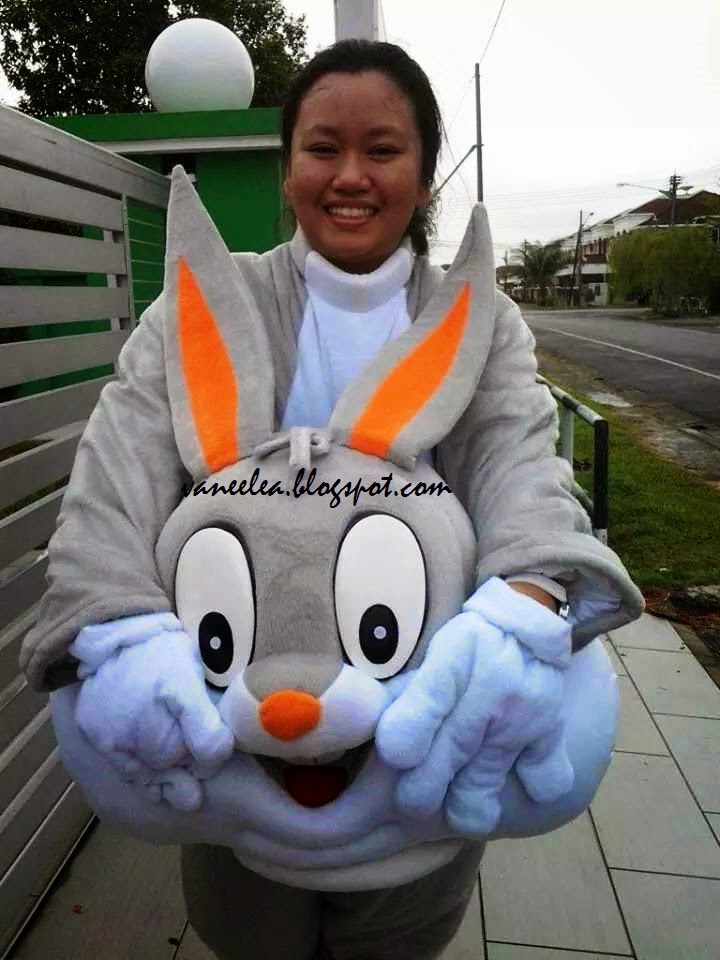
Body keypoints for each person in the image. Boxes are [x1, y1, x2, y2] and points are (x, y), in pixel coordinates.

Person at [20, 39, 643, 960]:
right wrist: (118, 630)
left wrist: (525, 602)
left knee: (396, 937)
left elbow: (522, 467)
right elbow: (111, 486)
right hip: (238, 732)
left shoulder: (477, 322)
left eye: (383, 150)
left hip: (414, 737)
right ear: (288, 169)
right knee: (248, 934)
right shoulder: (200, 310)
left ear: (424, 177)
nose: (350, 176)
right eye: (322, 148)